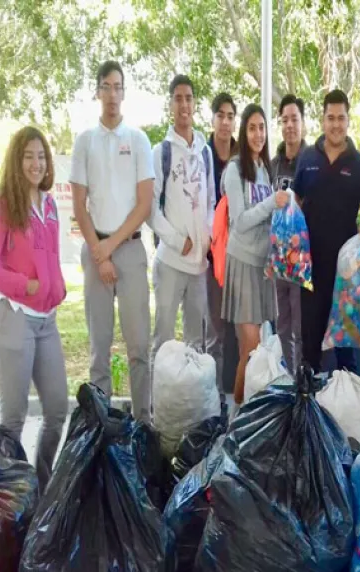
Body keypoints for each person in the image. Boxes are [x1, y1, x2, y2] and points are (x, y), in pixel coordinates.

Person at [0, 126, 68, 493]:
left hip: (45, 321)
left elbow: (52, 258)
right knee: (14, 418)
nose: (36, 162)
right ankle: (9, 501)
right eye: (29, 155)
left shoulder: (49, 205)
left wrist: (56, 287)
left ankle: (41, 489)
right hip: (12, 317)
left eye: (42, 156)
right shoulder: (4, 204)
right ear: (17, 160)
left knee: (58, 410)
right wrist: (25, 285)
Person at [70, 60, 155, 422]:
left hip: (131, 250)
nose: (112, 94)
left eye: (118, 87)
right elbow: (79, 204)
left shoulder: (137, 140)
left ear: (124, 92)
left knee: (139, 349)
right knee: (99, 350)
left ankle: (143, 425)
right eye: (106, 86)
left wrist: (113, 247)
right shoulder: (85, 141)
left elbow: (144, 203)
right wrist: (100, 253)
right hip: (95, 252)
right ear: (97, 92)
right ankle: (99, 429)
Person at [294, 89, 360, 374]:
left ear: (348, 120)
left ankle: (347, 404)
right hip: (311, 269)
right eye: (331, 118)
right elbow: (296, 201)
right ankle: (308, 409)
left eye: (341, 118)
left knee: (345, 344)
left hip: (346, 270)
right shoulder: (306, 158)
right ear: (323, 120)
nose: (336, 124)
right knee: (311, 344)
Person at [149, 75, 215, 383]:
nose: (184, 104)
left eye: (189, 98)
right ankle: (154, 412)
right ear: (170, 104)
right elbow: (150, 210)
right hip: (171, 262)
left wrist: (208, 235)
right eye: (178, 98)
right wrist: (178, 241)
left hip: (199, 266)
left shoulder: (205, 152)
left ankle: (193, 414)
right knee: (162, 340)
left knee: (196, 346)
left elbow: (212, 199)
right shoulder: (160, 152)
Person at [221, 103, 289, 405]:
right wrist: (273, 203)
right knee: (249, 346)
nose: (258, 134)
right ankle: (236, 419)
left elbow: (267, 219)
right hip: (243, 263)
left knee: (260, 346)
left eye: (262, 128)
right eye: (252, 128)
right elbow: (241, 220)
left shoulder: (265, 169)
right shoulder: (235, 170)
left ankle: (251, 416)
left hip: (264, 266)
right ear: (243, 131)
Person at [270, 94, 308, 376]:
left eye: (295, 119)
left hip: (303, 258)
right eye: (285, 120)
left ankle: (301, 385)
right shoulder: (273, 164)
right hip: (277, 258)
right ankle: (285, 380)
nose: (290, 125)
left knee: (300, 326)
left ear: (303, 123)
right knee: (281, 323)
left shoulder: (311, 161)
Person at [205, 92, 237, 401]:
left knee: (239, 331)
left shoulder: (242, 158)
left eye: (230, 116)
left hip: (239, 259)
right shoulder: (202, 155)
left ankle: (237, 398)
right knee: (214, 332)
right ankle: (213, 399)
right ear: (213, 119)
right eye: (221, 115)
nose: (225, 122)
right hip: (209, 258)